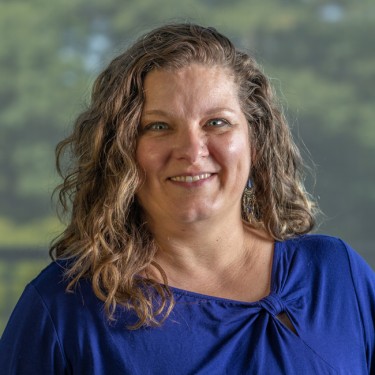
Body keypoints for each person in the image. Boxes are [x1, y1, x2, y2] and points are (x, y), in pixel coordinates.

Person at [0, 23, 374, 374]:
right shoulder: (62, 309)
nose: (192, 150)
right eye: (159, 127)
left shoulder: (337, 275)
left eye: (217, 123)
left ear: (255, 142)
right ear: (122, 152)